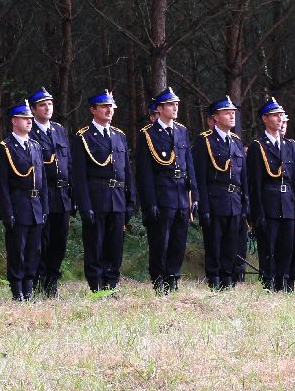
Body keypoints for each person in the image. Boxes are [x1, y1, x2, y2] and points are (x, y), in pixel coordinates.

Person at [71, 89, 136, 292]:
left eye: (111, 107)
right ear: (93, 110)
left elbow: (126, 171)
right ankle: (96, 285)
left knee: (115, 245)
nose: (109, 110)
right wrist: (85, 205)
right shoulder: (83, 137)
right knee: (95, 244)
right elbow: (79, 176)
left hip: (117, 198)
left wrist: (130, 200)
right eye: (104, 107)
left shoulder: (119, 136)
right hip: (96, 198)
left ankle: (111, 283)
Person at [135, 87, 197, 293]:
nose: (175, 107)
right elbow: (144, 173)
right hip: (162, 195)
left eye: (176, 104)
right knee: (160, 241)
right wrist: (149, 202)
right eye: (171, 105)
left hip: (181, 194)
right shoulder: (148, 134)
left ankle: (173, 277)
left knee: (179, 240)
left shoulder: (181, 131)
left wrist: (194, 195)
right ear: (159, 109)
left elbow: (189, 164)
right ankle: (159, 278)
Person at [0, 101, 49, 301]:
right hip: (18, 204)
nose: (29, 122)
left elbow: (42, 181)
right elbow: (1, 184)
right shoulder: (5, 148)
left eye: (30, 119)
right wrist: (7, 212)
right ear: (14, 121)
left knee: (34, 249)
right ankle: (17, 289)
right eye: (25, 118)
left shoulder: (35, 146)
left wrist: (45, 207)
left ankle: (29, 287)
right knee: (18, 249)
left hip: (35, 205)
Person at [192, 96, 248, 290]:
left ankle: (228, 279)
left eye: (233, 112)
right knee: (214, 243)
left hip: (234, 200)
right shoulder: (204, 141)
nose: (232, 115)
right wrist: (203, 206)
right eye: (227, 112)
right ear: (215, 117)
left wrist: (245, 202)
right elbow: (200, 177)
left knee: (232, 243)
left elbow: (243, 176)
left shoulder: (236, 142)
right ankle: (214, 279)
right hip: (215, 200)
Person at [246, 97, 295, 292]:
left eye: (281, 115)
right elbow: (254, 183)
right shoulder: (258, 146)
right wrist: (257, 213)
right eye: (276, 115)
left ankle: (283, 281)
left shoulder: (288, 146)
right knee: (268, 247)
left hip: (287, 203)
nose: (280, 119)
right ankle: (268, 282)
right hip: (268, 204)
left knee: (286, 247)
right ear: (265, 118)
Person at [27, 87, 72, 297]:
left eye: (50, 104)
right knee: (41, 242)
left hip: (62, 196)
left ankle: (52, 283)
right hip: (44, 195)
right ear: (34, 109)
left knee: (59, 242)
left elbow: (68, 163)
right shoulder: (30, 132)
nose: (48, 108)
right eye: (43, 105)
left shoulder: (59, 130)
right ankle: (38, 281)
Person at [279, 114, 295, 286]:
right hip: (276, 202)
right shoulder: (262, 145)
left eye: (285, 122)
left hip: (294, 201)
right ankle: (279, 278)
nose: (282, 125)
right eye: (280, 121)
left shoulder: (293, 146)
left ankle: (291, 278)